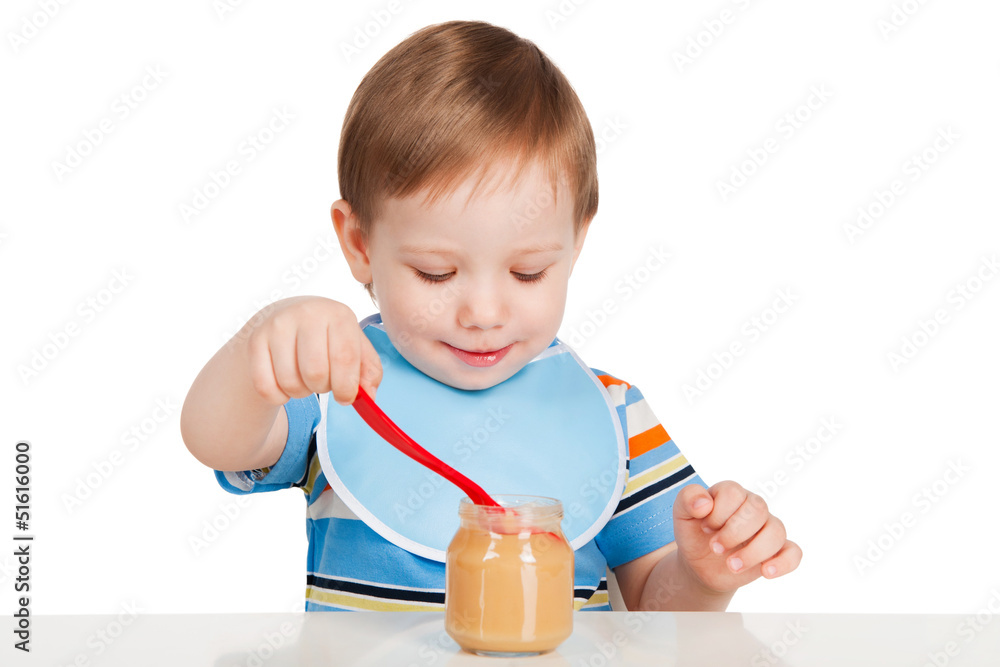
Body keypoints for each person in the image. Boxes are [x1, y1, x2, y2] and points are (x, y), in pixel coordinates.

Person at [181, 19, 801, 613]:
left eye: (528, 272)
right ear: (360, 244)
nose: (482, 312)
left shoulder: (615, 415)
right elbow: (219, 442)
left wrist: (703, 578)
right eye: (436, 272)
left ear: (575, 243)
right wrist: (261, 351)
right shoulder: (336, 383)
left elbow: (653, 607)